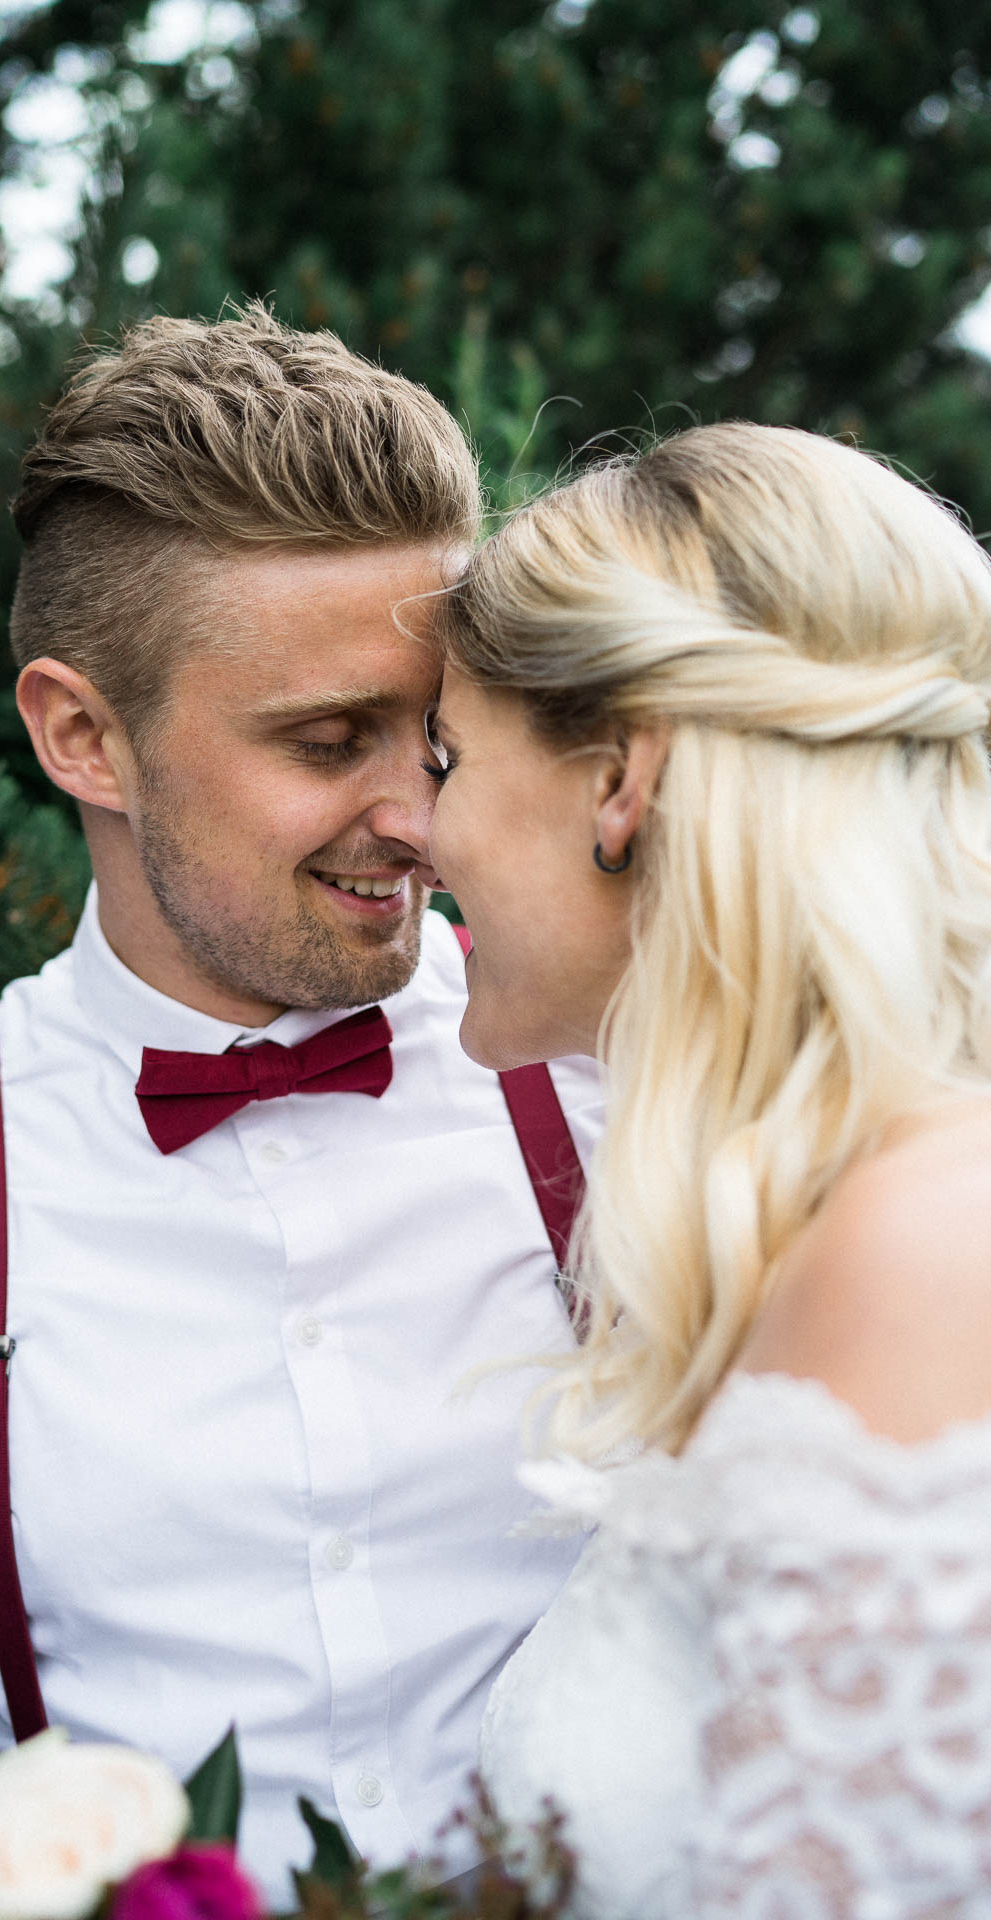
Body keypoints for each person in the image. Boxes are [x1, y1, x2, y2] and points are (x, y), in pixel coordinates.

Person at [0, 308, 604, 1905]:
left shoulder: (612, 1055)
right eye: (330, 741)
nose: (417, 821)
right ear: (79, 735)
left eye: (443, 736)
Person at [427, 422, 991, 1917]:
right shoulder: (847, 1210)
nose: (418, 836)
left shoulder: (922, 1247)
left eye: (446, 755)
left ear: (621, 779)